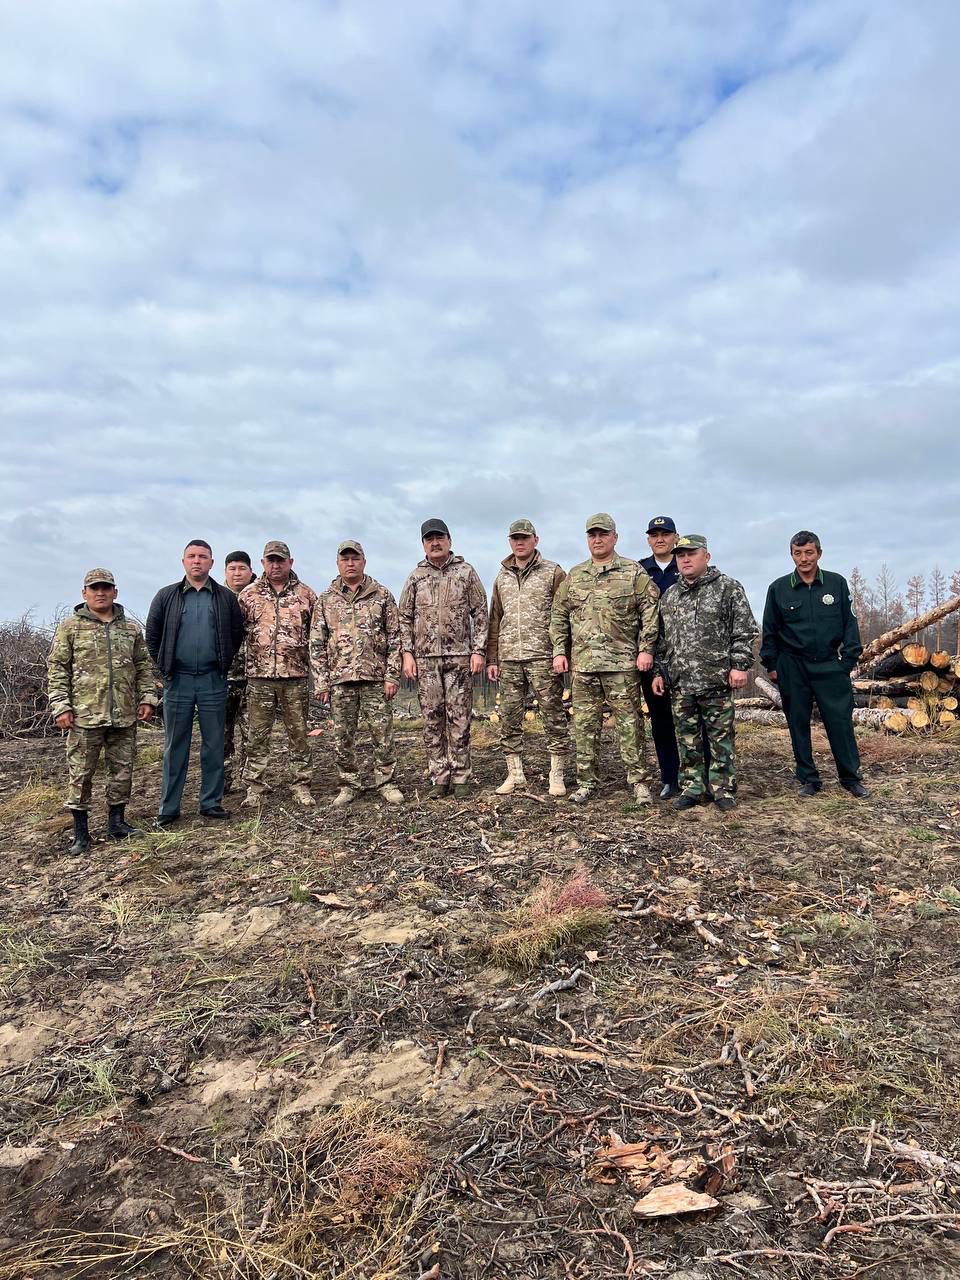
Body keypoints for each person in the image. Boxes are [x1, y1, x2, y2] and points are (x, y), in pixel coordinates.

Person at [550, 513, 659, 805]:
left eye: (603, 534)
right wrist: (560, 650)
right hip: (584, 666)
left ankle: (638, 783)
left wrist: (645, 648)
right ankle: (587, 783)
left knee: (630, 726)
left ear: (615, 537)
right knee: (585, 726)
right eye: (592, 535)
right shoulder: (575, 576)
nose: (597, 540)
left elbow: (650, 612)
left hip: (622, 666)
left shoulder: (633, 573)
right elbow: (559, 615)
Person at [47, 569, 158, 853]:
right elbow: (57, 669)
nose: (100, 593)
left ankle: (117, 824)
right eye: (94, 588)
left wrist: (148, 698)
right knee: (81, 774)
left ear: (115, 592)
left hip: (123, 714)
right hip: (85, 716)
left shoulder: (131, 629)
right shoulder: (71, 628)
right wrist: (61, 705)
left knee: (122, 771)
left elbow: (143, 667)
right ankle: (81, 833)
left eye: (106, 588)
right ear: (84, 593)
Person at [652, 535, 758, 812]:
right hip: (681, 683)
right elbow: (660, 641)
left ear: (706, 557)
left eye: (691, 554)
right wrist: (658, 672)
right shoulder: (671, 595)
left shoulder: (727, 588)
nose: (685, 559)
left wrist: (739, 666)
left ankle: (723, 789)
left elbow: (744, 631)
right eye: (680, 555)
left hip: (717, 680)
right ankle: (693, 788)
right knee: (688, 741)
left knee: (721, 740)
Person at [760, 531, 868, 798]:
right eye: (798, 553)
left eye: (809, 552)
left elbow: (849, 625)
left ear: (819, 553)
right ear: (792, 555)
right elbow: (770, 631)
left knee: (840, 722)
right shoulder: (779, 588)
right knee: (798, 723)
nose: (803, 559)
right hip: (793, 667)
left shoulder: (836, 584)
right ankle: (809, 778)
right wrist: (772, 665)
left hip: (830, 666)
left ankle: (850, 777)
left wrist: (848, 662)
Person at [146, 541, 243, 824]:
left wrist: (221, 664)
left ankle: (210, 802)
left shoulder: (225, 598)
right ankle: (169, 808)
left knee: (214, 743)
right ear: (183, 561)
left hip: (213, 679)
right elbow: (153, 636)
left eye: (203, 557)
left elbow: (235, 634)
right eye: (192, 557)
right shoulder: (167, 596)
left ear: (212, 563)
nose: (197, 561)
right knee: (176, 744)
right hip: (179, 680)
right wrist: (167, 668)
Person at [398, 519, 488, 798]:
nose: (435, 543)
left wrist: (478, 650)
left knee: (459, 719)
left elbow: (481, 612)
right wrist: (408, 653)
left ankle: (461, 777)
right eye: (429, 539)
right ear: (423, 544)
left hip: (459, 658)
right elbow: (404, 618)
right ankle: (439, 777)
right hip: (425, 661)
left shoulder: (466, 572)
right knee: (432, 720)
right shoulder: (415, 577)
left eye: (440, 538)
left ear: (449, 540)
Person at [310, 540, 404, 807]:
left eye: (355, 558)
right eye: (345, 559)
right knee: (342, 736)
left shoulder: (382, 595)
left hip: (375, 678)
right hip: (340, 680)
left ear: (364, 561)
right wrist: (322, 681)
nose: (350, 563)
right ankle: (349, 784)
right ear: (338, 563)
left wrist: (392, 675)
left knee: (382, 733)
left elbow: (396, 638)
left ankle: (386, 782)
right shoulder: (326, 599)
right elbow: (316, 643)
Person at [485, 519, 569, 796]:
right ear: (510, 542)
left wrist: (561, 651)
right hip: (509, 658)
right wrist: (492, 658)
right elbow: (495, 619)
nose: (519, 542)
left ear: (536, 539)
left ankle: (556, 775)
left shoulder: (553, 572)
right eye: (514, 538)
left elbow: (564, 614)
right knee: (509, 717)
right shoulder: (502, 577)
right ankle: (515, 774)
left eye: (524, 537)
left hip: (543, 657)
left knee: (553, 716)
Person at [239, 540, 318, 807]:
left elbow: (317, 636)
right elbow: (236, 635)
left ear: (290, 563)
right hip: (259, 677)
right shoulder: (248, 595)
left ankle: (301, 784)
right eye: (270, 560)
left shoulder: (306, 595)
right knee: (257, 735)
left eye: (280, 560)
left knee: (298, 734)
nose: (275, 565)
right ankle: (255, 787)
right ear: (262, 563)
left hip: (295, 677)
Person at [637, 516, 682, 798]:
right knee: (661, 720)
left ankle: (697, 775)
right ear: (648, 539)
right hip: (653, 658)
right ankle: (670, 777)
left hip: (688, 657)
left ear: (676, 537)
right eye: (654, 534)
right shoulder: (639, 571)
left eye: (665, 533)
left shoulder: (688, 564)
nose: (660, 539)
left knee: (693, 720)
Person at [223, 551, 255, 791]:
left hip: (252, 677)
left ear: (250, 570)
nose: (237, 573)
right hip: (220, 678)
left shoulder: (259, 596)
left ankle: (248, 781)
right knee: (220, 735)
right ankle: (221, 781)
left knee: (251, 734)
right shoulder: (216, 597)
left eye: (241, 568)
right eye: (232, 568)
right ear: (225, 572)